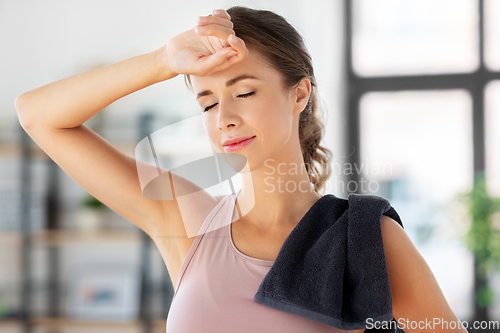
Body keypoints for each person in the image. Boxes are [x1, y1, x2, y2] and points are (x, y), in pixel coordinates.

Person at [15, 5, 468, 333]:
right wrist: (161, 61)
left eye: (245, 92)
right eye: (207, 102)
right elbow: (38, 116)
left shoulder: (364, 238)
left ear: (299, 93)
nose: (224, 117)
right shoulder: (185, 218)